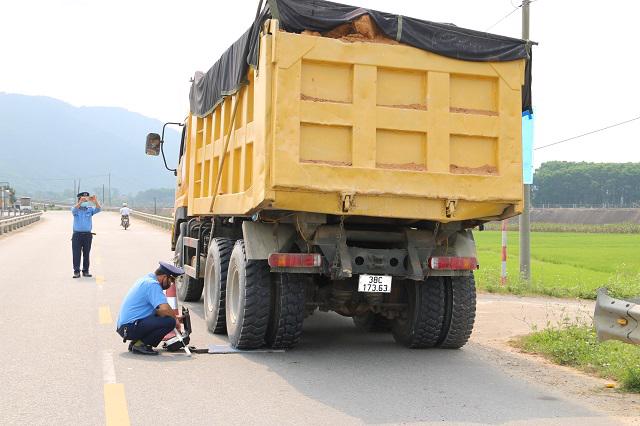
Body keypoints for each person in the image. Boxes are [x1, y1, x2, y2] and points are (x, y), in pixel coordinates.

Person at [116, 261, 184, 355]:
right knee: (169, 322)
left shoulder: (146, 279)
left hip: (125, 327)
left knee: (164, 317)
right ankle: (141, 344)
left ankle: (136, 342)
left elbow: (159, 310)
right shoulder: (153, 285)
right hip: (129, 327)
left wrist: (174, 316)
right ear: (164, 277)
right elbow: (164, 308)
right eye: (170, 280)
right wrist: (175, 320)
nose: (171, 284)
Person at [71, 192, 101, 278]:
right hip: (77, 235)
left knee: (86, 254)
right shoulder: (75, 209)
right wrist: (80, 202)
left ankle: (85, 271)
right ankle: (76, 271)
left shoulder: (90, 209)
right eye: (83, 198)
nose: (85, 200)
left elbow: (98, 209)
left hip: (87, 235)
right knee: (76, 254)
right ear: (79, 199)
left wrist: (95, 201)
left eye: (86, 198)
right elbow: (73, 211)